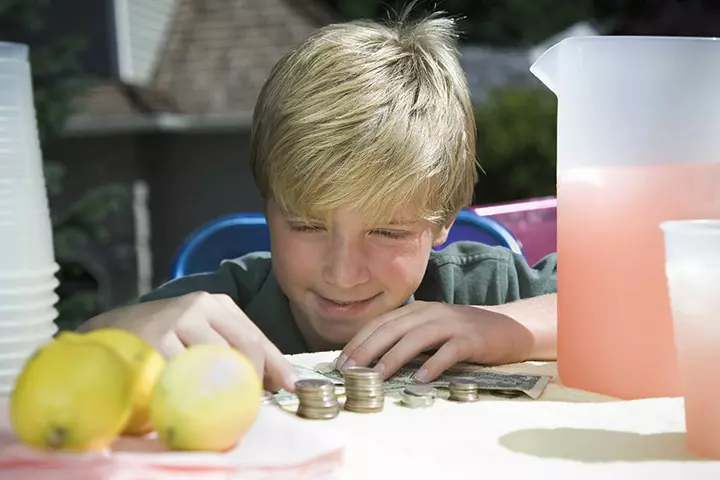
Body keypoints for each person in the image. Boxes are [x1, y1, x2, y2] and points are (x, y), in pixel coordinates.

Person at [79, 8, 557, 394]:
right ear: (268, 206)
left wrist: (504, 328)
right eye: (307, 226)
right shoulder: (223, 312)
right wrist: (115, 336)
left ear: (443, 222)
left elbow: (631, 302)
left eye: (388, 232)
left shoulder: (485, 290)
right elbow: (44, 376)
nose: (343, 274)